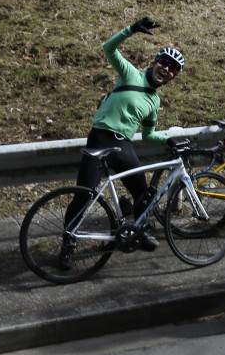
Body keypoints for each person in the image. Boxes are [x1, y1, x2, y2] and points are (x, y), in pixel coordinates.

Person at [63, 16, 183, 262]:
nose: (167, 69)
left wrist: (167, 140)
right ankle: (67, 243)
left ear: (173, 77)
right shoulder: (130, 74)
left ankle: (134, 231)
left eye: (173, 69)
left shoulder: (155, 101)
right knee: (83, 196)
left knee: (145, 198)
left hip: (123, 146)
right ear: (154, 62)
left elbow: (148, 135)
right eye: (164, 63)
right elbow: (108, 48)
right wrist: (131, 30)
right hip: (100, 140)